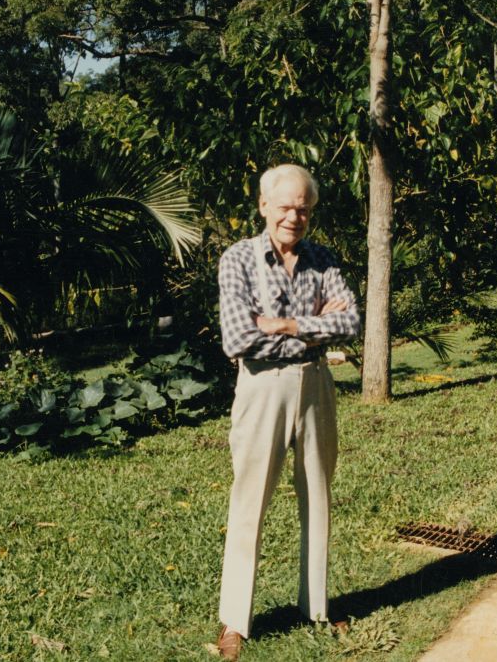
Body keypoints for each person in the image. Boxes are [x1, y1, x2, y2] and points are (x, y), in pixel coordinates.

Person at [215, 164, 360, 660]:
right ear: (263, 206)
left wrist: (280, 324)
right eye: (285, 207)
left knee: (318, 494)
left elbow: (351, 322)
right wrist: (313, 326)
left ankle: (315, 606)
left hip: (316, 386)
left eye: (303, 208)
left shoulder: (322, 259)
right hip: (261, 389)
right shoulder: (237, 260)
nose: (294, 217)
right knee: (249, 500)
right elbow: (237, 338)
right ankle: (235, 620)